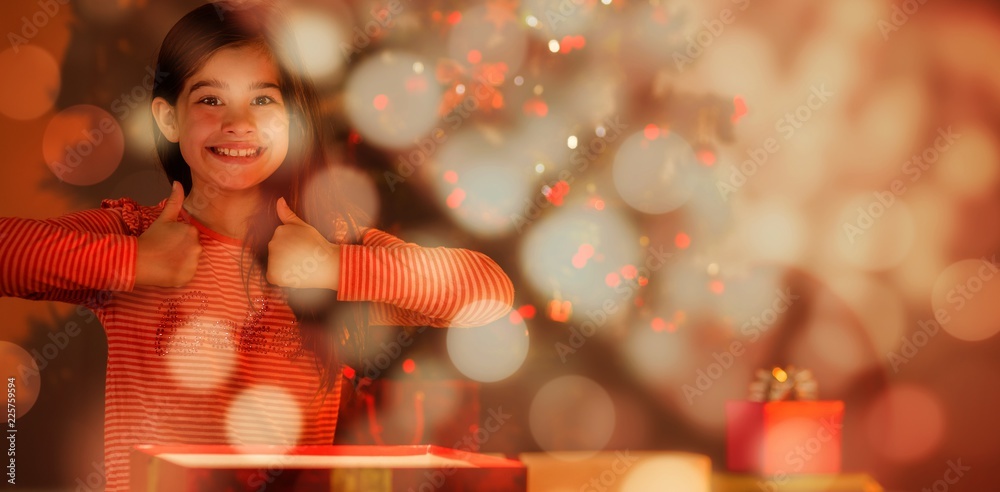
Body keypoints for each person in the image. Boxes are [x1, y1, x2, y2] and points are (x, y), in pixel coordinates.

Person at [0, 2, 514, 490]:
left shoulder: (332, 248)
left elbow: (489, 295)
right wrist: (138, 262)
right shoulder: (134, 233)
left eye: (264, 99)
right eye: (209, 99)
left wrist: (332, 267)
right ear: (168, 119)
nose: (237, 122)